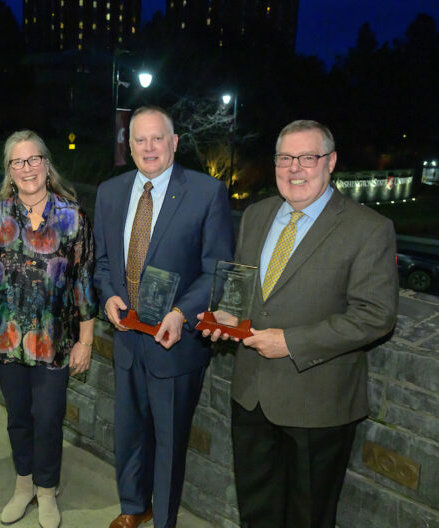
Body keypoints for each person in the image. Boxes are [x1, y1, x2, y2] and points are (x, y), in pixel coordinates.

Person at [199, 120, 399, 528]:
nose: (295, 169)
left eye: (308, 157)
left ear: (331, 162)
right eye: (285, 158)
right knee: (256, 513)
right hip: (252, 395)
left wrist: (292, 342)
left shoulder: (368, 228)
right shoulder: (256, 215)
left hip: (318, 403)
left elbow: (375, 315)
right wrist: (228, 316)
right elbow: (246, 293)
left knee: (308, 518)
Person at [93, 106, 234, 528]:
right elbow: (102, 263)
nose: (149, 147)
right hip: (127, 339)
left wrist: (181, 313)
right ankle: (135, 508)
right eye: (140, 139)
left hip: (176, 343)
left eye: (158, 138)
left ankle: (165, 521)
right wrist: (107, 297)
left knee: (170, 442)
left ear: (174, 142)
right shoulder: (110, 193)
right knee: (129, 434)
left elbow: (216, 270)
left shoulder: (206, 193)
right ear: (128, 146)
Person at [0, 130, 98, 528]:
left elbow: (83, 281)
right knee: (18, 417)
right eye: (18, 162)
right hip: (5, 338)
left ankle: (47, 490)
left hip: (54, 340)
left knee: (48, 415)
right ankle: (23, 484)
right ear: (9, 171)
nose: (27, 168)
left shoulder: (72, 216)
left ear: (46, 164)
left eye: (34, 159)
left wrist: (86, 340)